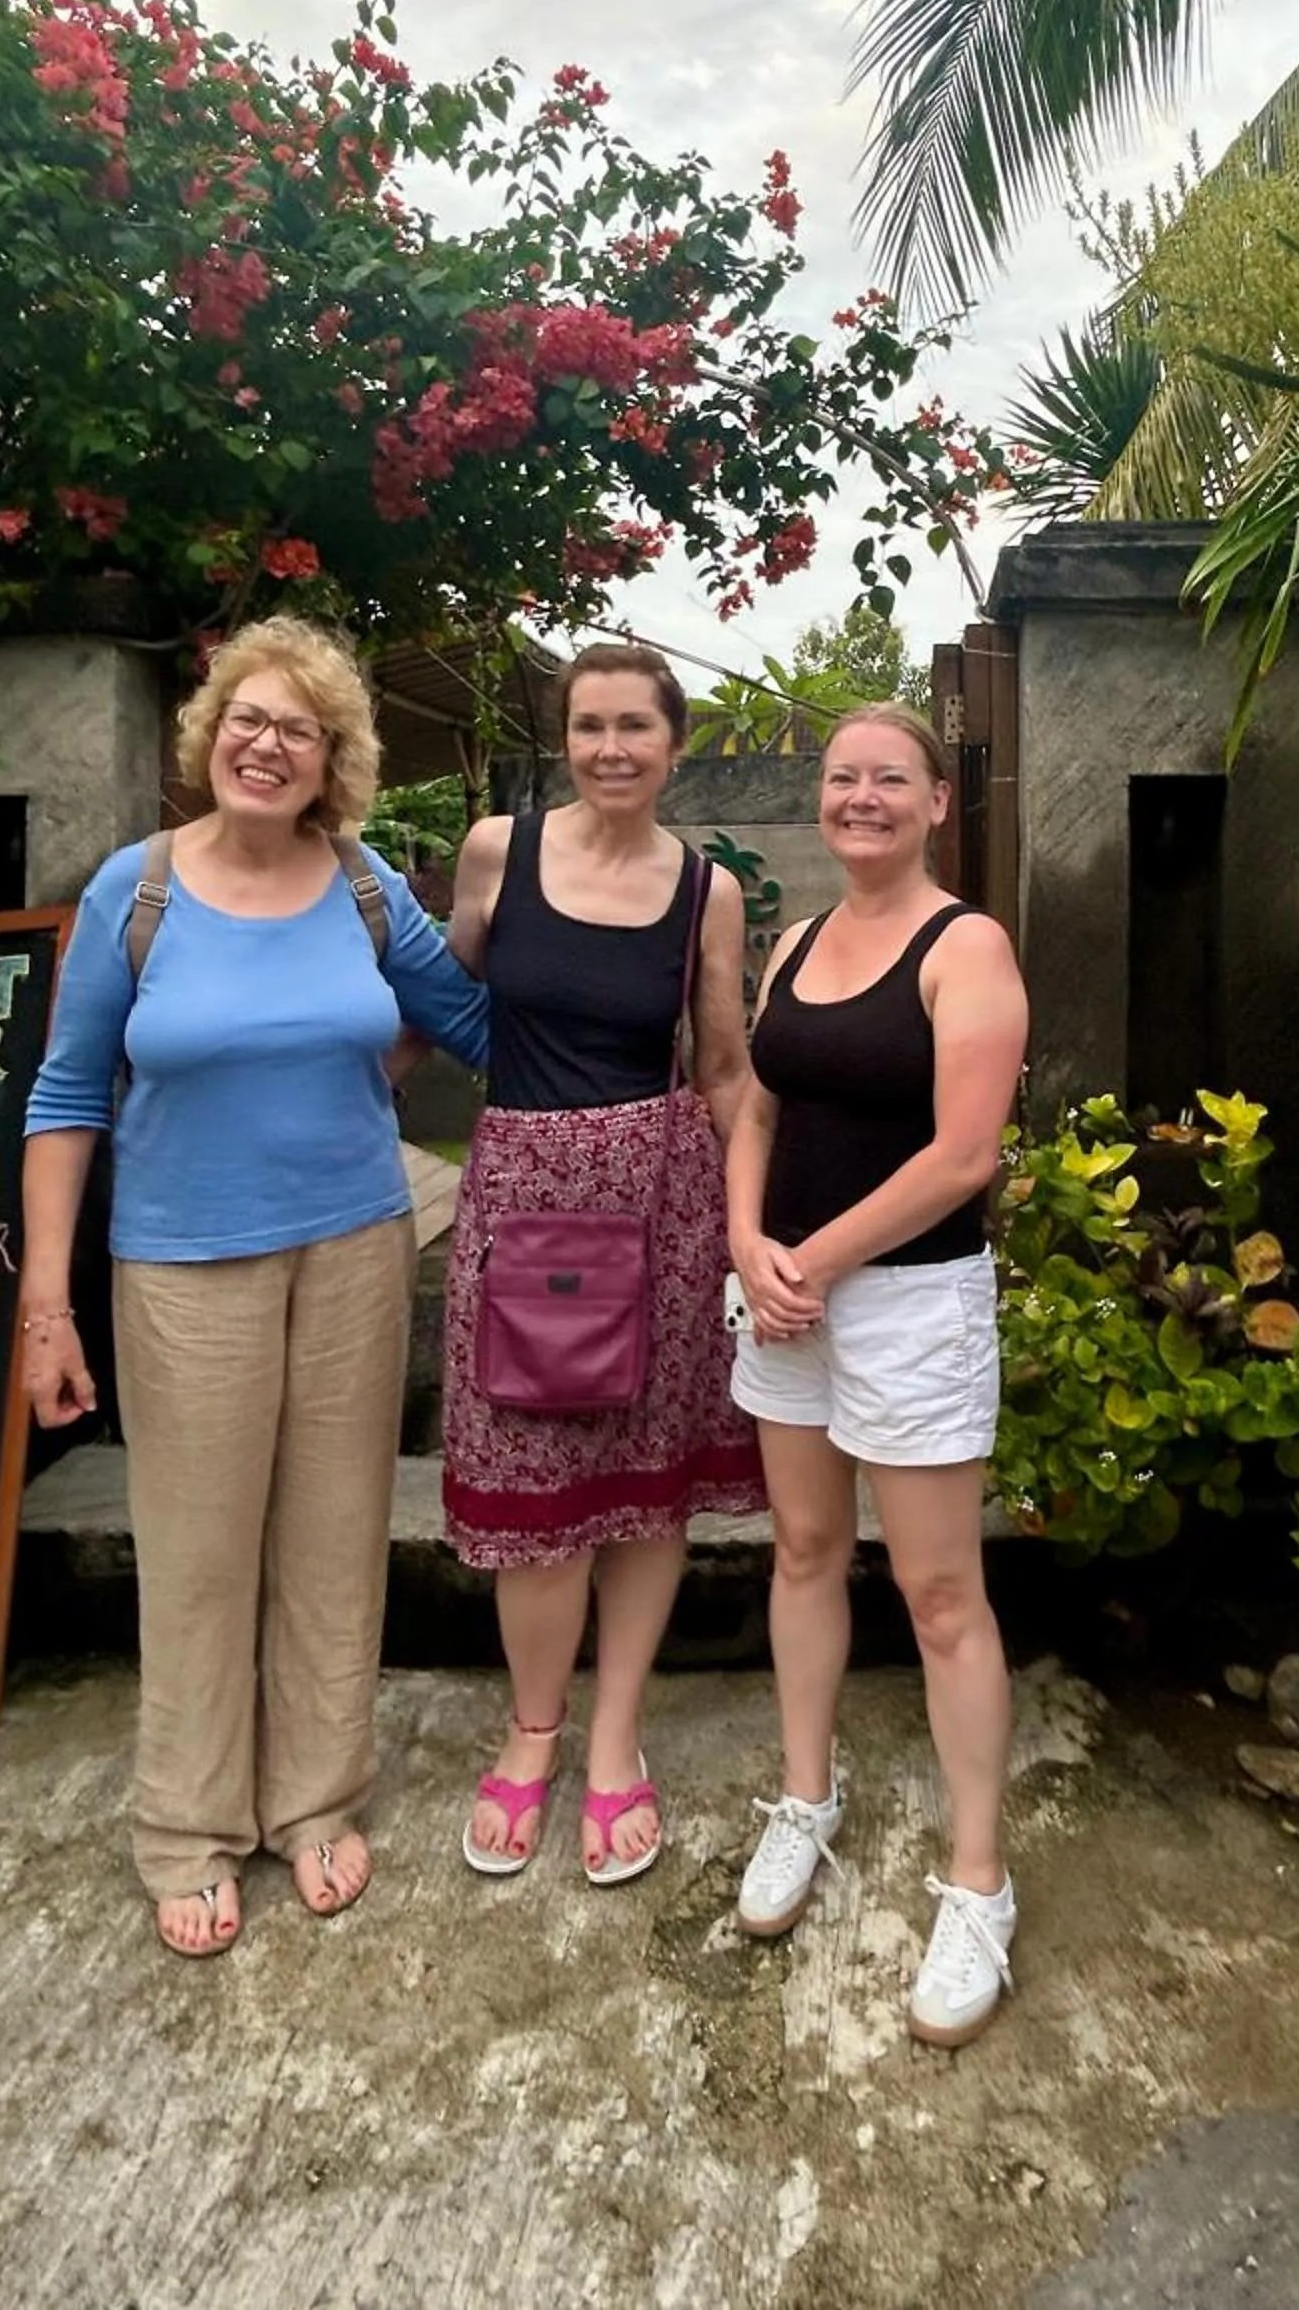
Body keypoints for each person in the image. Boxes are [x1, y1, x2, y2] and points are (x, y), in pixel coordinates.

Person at [18, 615, 489, 1959]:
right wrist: (45, 1305)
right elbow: (64, 1095)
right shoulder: (138, 889)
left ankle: (316, 1800)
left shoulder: (357, 885)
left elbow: (468, 1020)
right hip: (179, 1266)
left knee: (334, 1539)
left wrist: (624, 985)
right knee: (201, 1551)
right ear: (208, 733)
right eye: (247, 718)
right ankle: (186, 1827)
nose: (266, 744)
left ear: (332, 760)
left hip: (351, 1247)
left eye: (299, 728)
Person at [725, 704, 1029, 2048]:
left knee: (939, 1591)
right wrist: (749, 1241)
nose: (860, 797)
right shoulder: (793, 941)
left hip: (906, 1304)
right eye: (842, 778)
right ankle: (807, 1797)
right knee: (800, 1548)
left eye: (886, 779)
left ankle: (980, 1881)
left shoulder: (965, 945)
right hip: (786, 1296)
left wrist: (816, 1257)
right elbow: (757, 1105)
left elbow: (965, 1155)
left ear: (932, 803)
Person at [441, 644, 764, 1884]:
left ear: (676, 743)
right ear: (563, 739)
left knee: (643, 1480)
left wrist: (753, 1222)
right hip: (521, 1196)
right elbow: (443, 989)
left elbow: (724, 1066)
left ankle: (616, 1735)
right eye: (589, 726)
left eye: (637, 725)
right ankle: (533, 1736)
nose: (612, 747)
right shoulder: (495, 850)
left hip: (661, 1202)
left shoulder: (707, 893)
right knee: (536, 1490)